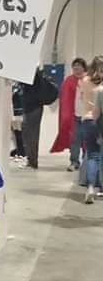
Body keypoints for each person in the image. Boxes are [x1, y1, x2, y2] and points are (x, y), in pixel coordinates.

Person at [51, 58, 87, 171]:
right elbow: (65, 99)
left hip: (87, 116)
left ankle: (86, 162)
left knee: (87, 140)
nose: (76, 69)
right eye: (74, 67)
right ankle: (74, 161)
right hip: (75, 116)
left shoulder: (88, 80)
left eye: (79, 66)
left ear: (83, 68)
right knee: (75, 139)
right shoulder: (69, 81)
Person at [80, 56, 103, 204]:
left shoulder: (85, 81)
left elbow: (82, 99)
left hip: (88, 120)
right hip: (99, 119)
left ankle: (89, 188)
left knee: (92, 156)